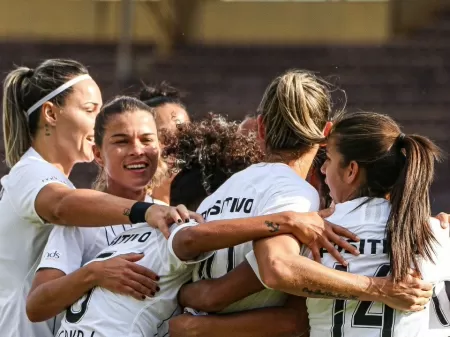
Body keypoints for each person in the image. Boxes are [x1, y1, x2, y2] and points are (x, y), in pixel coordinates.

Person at [168, 70, 435, 337]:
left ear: (260, 128)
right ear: (326, 133)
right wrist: (379, 288)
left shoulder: (219, 194)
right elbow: (279, 275)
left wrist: (187, 304)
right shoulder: (297, 196)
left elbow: (205, 290)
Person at [54, 116, 352, 337]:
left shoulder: (148, 227)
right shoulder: (177, 225)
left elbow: (208, 298)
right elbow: (287, 314)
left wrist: (191, 316)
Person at [0, 59, 199, 337]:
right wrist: (147, 211)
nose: (99, 124)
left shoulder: (60, 183)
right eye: (91, 110)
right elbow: (61, 206)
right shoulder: (30, 173)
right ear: (51, 114)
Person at [26, 96, 168, 329]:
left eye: (146, 140)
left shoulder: (169, 217)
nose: (137, 150)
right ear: (98, 154)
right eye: (122, 141)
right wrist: (95, 273)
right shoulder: (83, 219)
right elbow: (36, 306)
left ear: (159, 148)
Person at [305, 111, 450, 336]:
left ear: (351, 170)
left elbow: (272, 272)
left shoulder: (309, 234)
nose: (323, 169)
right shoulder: (435, 233)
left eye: (329, 160)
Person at [140, 82, 191, 205]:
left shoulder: (210, 206)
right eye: (164, 137)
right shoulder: (122, 212)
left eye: (185, 136)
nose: (176, 145)